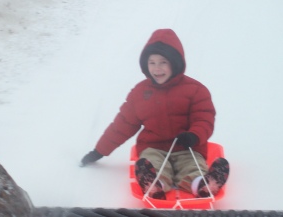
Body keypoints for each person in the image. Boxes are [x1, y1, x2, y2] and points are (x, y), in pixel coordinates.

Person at [80, 29, 229, 199]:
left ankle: (202, 184)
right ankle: (155, 184)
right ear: (145, 65)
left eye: (163, 62)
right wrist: (99, 151)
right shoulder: (140, 92)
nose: (157, 68)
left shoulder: (195, 90)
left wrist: (194, 136)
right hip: (153, 147)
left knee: (191, 166)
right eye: (152, 63)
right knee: (152, 162)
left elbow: (204, 118)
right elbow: (122, 125)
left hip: (187, 147)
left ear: (175, 63)